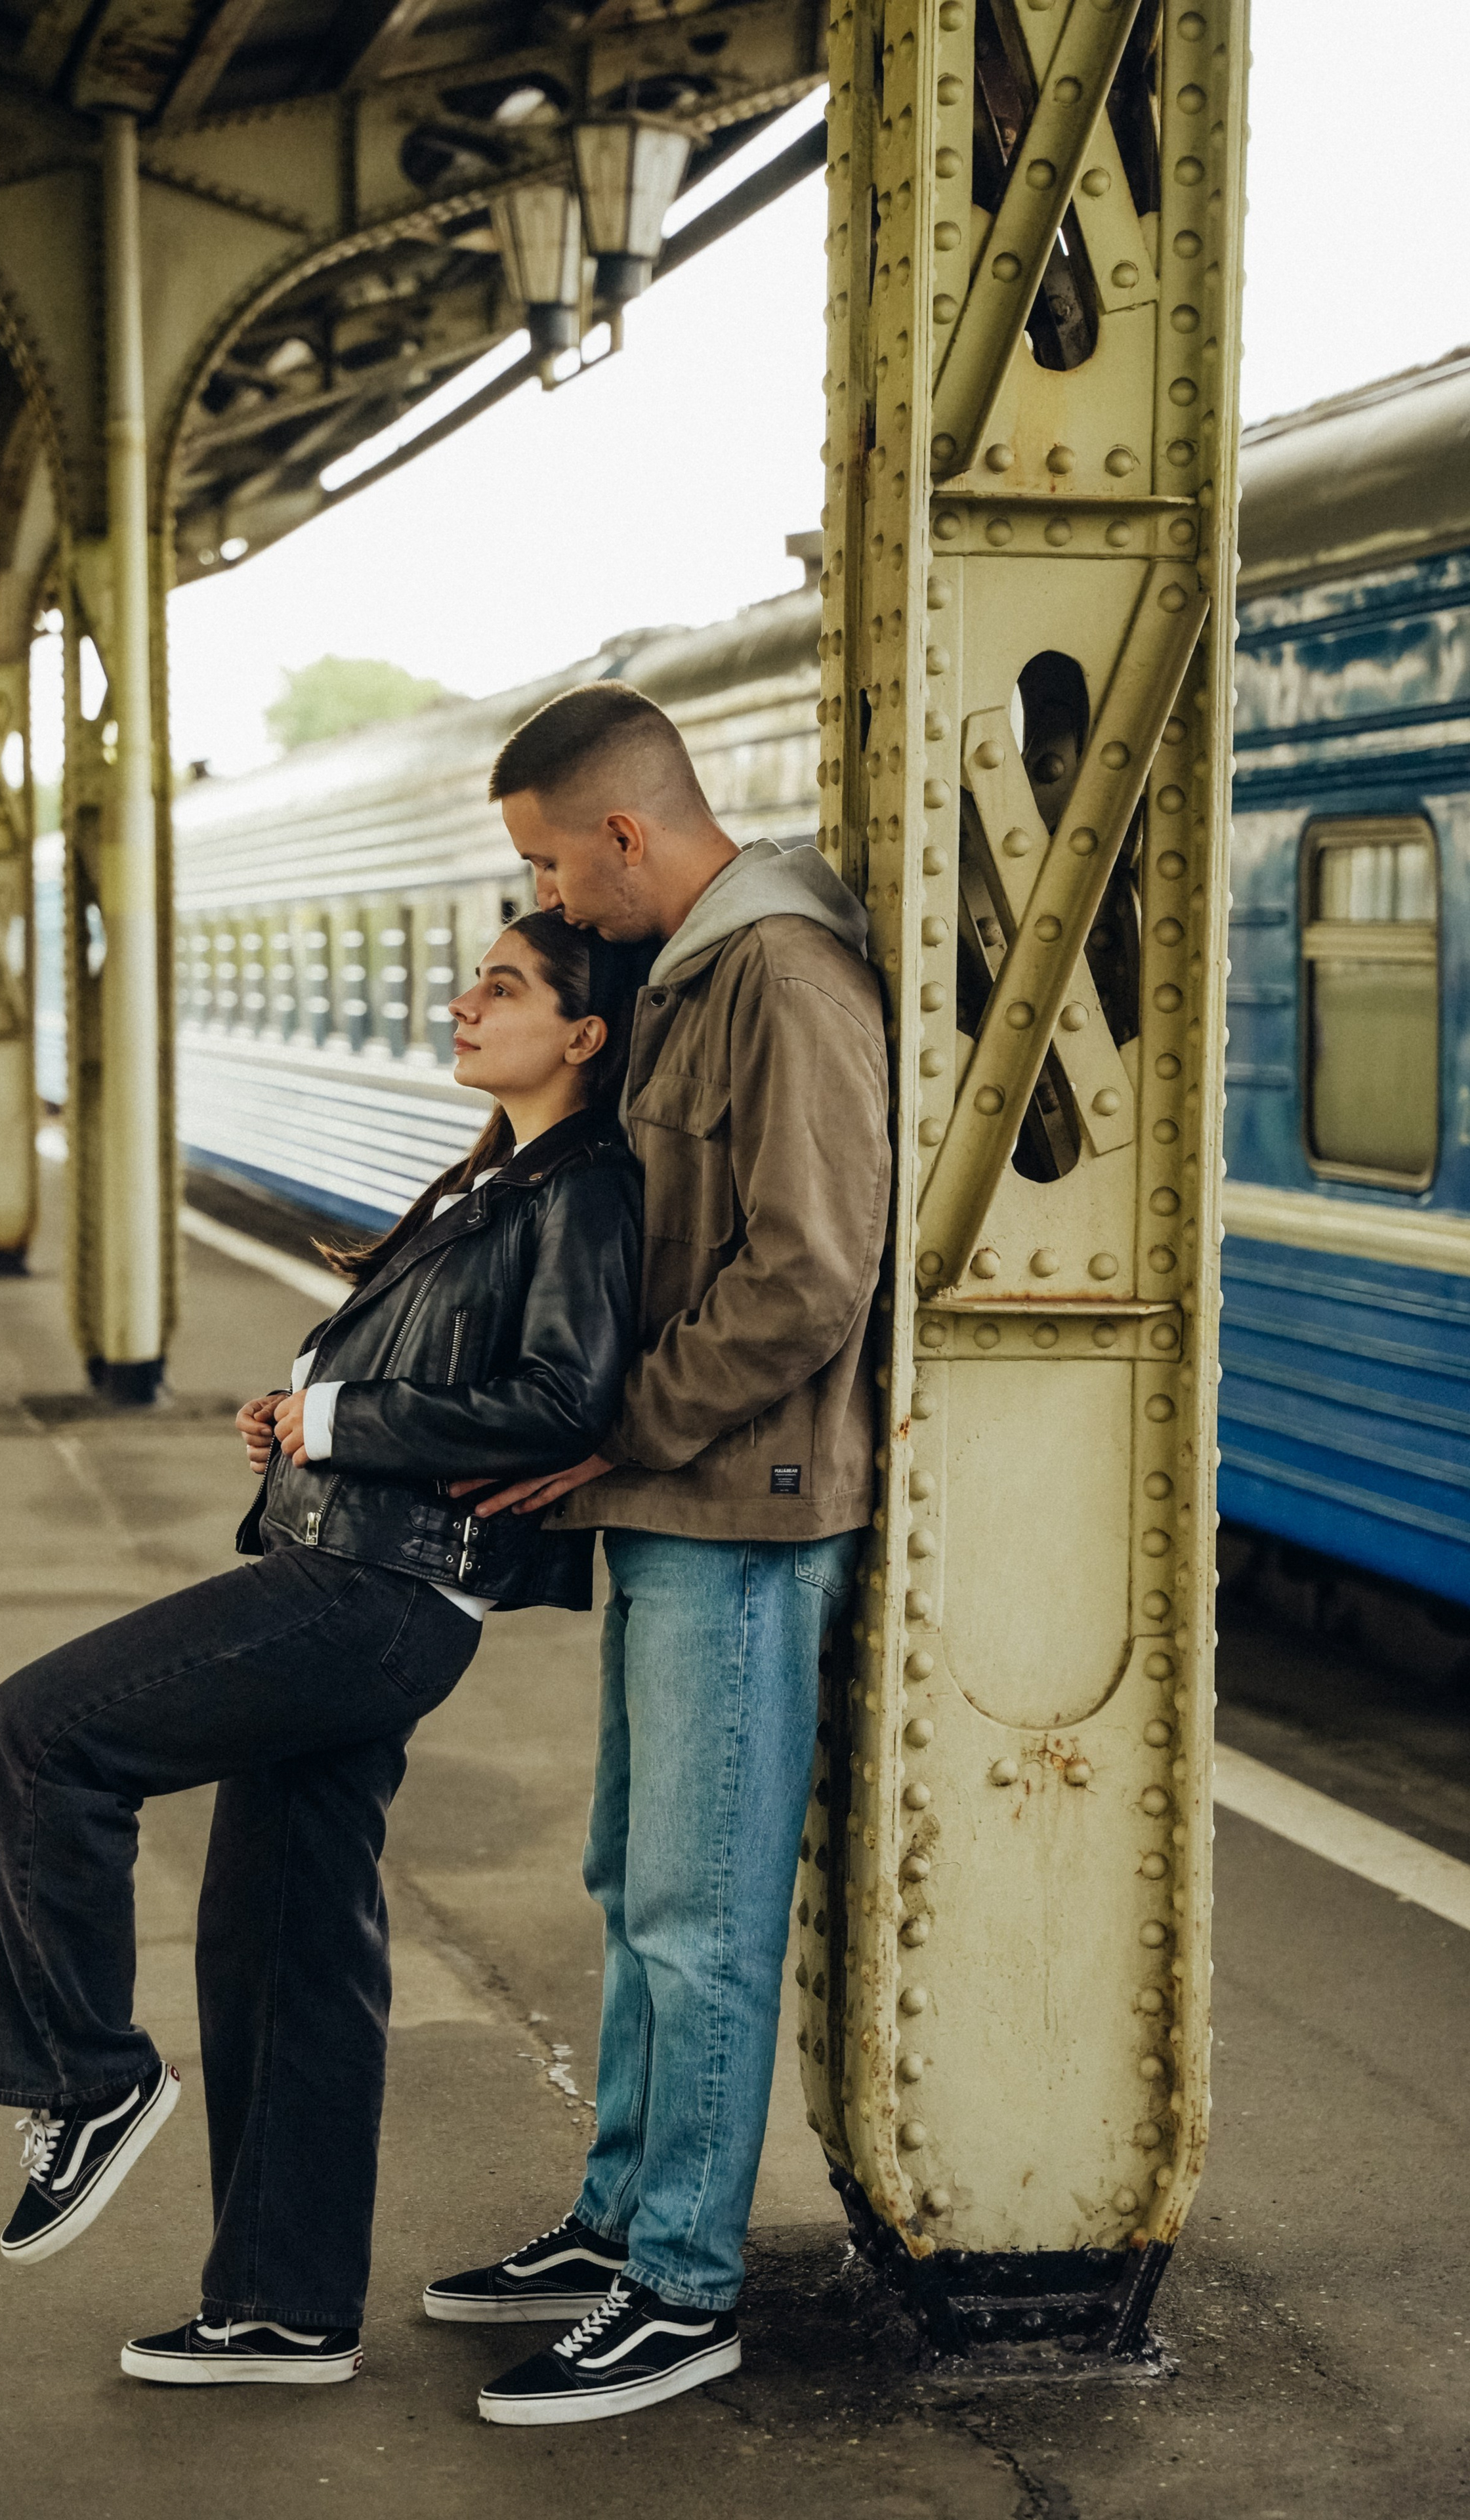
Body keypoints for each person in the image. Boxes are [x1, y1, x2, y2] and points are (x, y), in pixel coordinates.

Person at [0, 910, 646, 2385]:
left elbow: (565, 1401)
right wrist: (301, 1418)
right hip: (357, 1567)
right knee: (285, 1938)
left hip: (375, 1594)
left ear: (584, 1038)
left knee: (40, 1733)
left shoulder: (581, 1190)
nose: (464, 1002)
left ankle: (87, 2079)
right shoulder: (501, 1178)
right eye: (472, 977)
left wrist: (335, 1423)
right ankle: (281, 2309)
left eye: (505, 986)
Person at [424, 684, 891, 2427]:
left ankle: (683, 2285)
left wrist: (618, 1423)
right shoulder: (691, 968)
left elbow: (815, 1269)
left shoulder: (782, 975)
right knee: (639, 1884)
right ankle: (618, 2217)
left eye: (556, 863)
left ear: (628, 831)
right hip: (679, 1502)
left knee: (701, 1910)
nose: (553, 904)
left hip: (746, 1504)